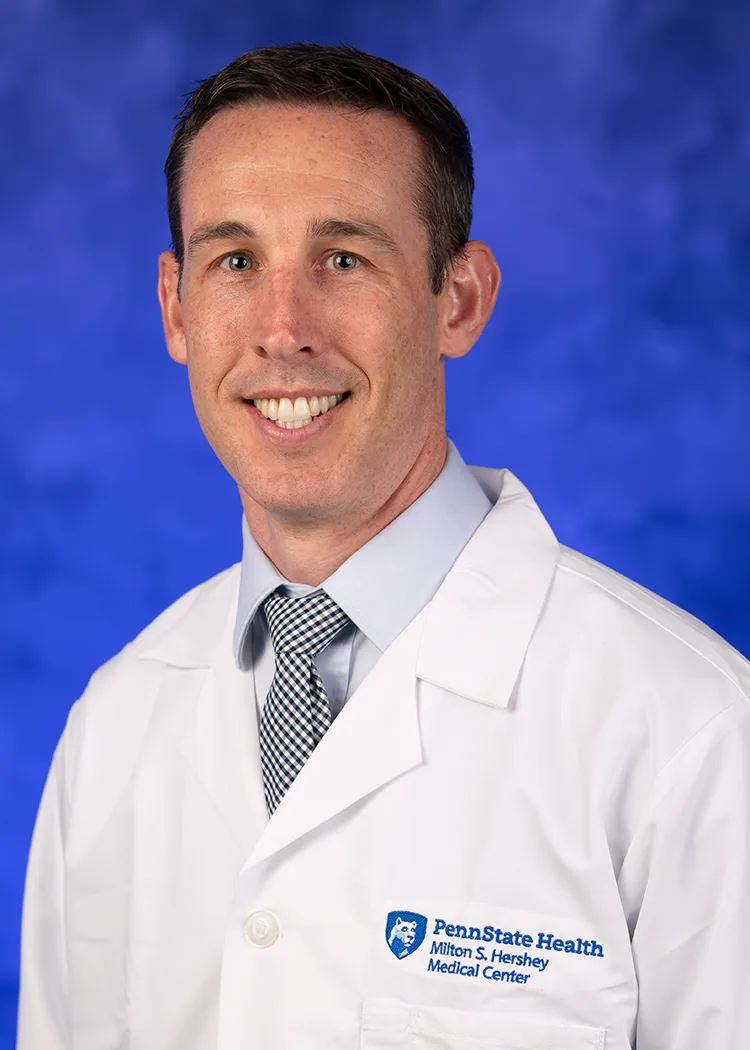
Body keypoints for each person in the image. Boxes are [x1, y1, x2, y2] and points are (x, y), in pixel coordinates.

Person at [16, 42, 750, 1050]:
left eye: (344, 259)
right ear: (176, 308)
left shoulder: (690, 732)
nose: (284, 329)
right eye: (236, 261)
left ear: (461, 299)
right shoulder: (114, 726)